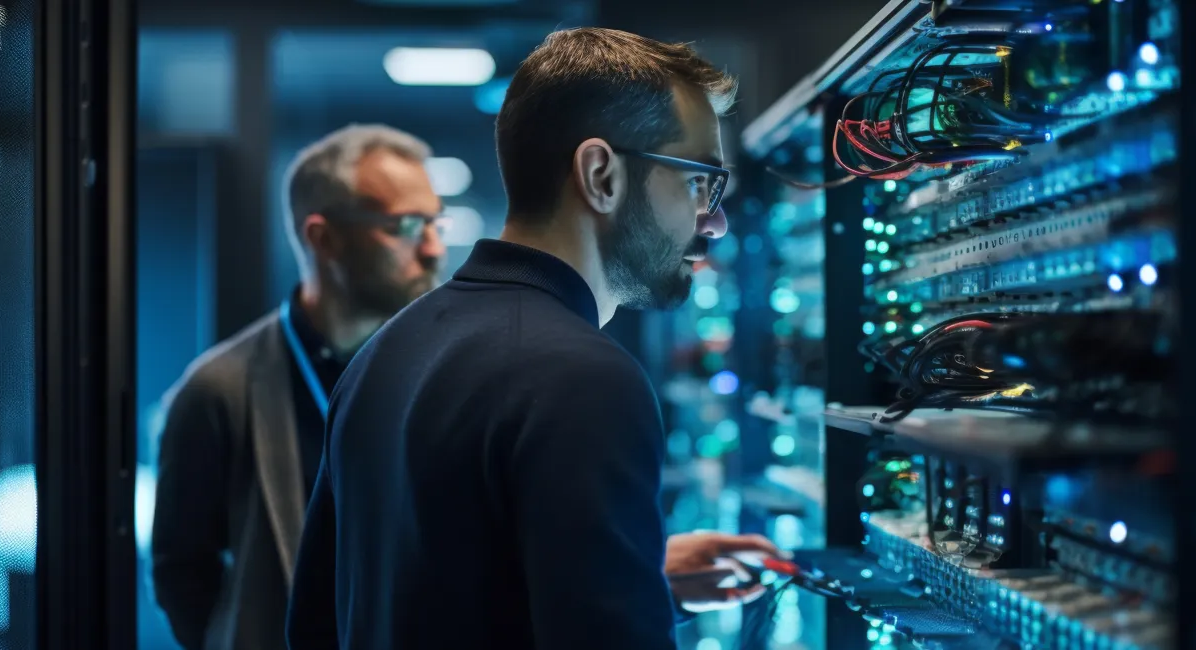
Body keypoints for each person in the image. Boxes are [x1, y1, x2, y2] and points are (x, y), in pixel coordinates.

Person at [287, 28, 783, 650]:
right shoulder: (587, 380)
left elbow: (316, 623)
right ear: (601, 174)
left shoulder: (383, 355)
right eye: (698, 181)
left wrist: (634, 577)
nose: (715, 219)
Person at [151, 124, 446, 650]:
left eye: (434, 223)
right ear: (322, 237)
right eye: (406, 225)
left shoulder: (436, 374)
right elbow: (181, 573)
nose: (433, 249)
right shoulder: (218, 390)